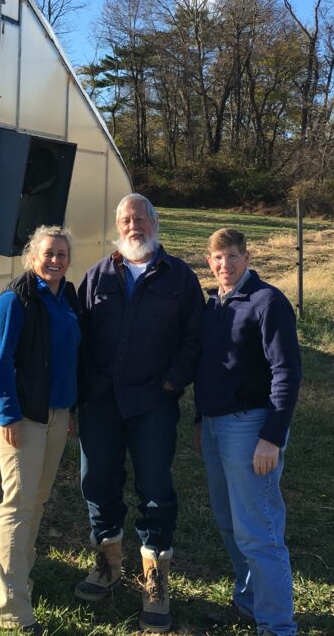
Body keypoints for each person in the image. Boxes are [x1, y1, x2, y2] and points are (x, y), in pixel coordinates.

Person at [74, 193, 204, 633]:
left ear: (155, 222)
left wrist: (172, 382)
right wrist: (83, 392)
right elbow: (82, 336)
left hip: (154, 401)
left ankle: (155, 581)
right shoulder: (97, 275)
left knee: (155, 487)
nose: (134, 226)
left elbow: (194, 337)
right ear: (118, 226)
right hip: (102, 402)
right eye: (126, 220)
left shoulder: (179, 277)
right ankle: (107, 563)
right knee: (97, 480)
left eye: (141, 219)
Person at [194, 227, 302, 636]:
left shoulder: (267, 302)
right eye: (218, 258)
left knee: (259, 530)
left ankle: (277, 625)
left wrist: (272, 436)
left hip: (251, 427)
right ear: (209, 261)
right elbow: (209, 368)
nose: (226, 265)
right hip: (215, 427)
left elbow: (286, 372)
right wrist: (201, 421)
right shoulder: (214, 306)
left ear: (247, 256)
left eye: (233, 256)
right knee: (228, 521)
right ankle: (249, 601)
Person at [0, 225, 82, 634]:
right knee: (19, 505)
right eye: (48, 253)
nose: (55, 260)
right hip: (23, 415)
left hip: (57, 414)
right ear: (32, 256)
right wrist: (8, 414)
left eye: (62, 254)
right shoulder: (16, 299)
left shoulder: (66, 298)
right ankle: (10, 611)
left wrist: (70, 409)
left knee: (37, 501)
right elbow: (0, 361)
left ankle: (20, 581)